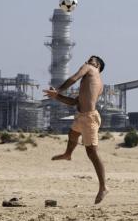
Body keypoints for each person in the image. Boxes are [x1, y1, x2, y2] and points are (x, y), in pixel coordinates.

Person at [44, 55, 108, 205]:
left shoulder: (89, 69)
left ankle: (103, 187)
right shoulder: (97, 82)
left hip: (89, 118)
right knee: (72, 134)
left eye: (91, 60)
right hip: (81, 116)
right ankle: (68, 154)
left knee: (92, 152)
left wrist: (58, 89)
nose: (87, 61)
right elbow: (74, 102)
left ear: (97, 65)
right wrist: (57, 97)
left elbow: (74, 77)